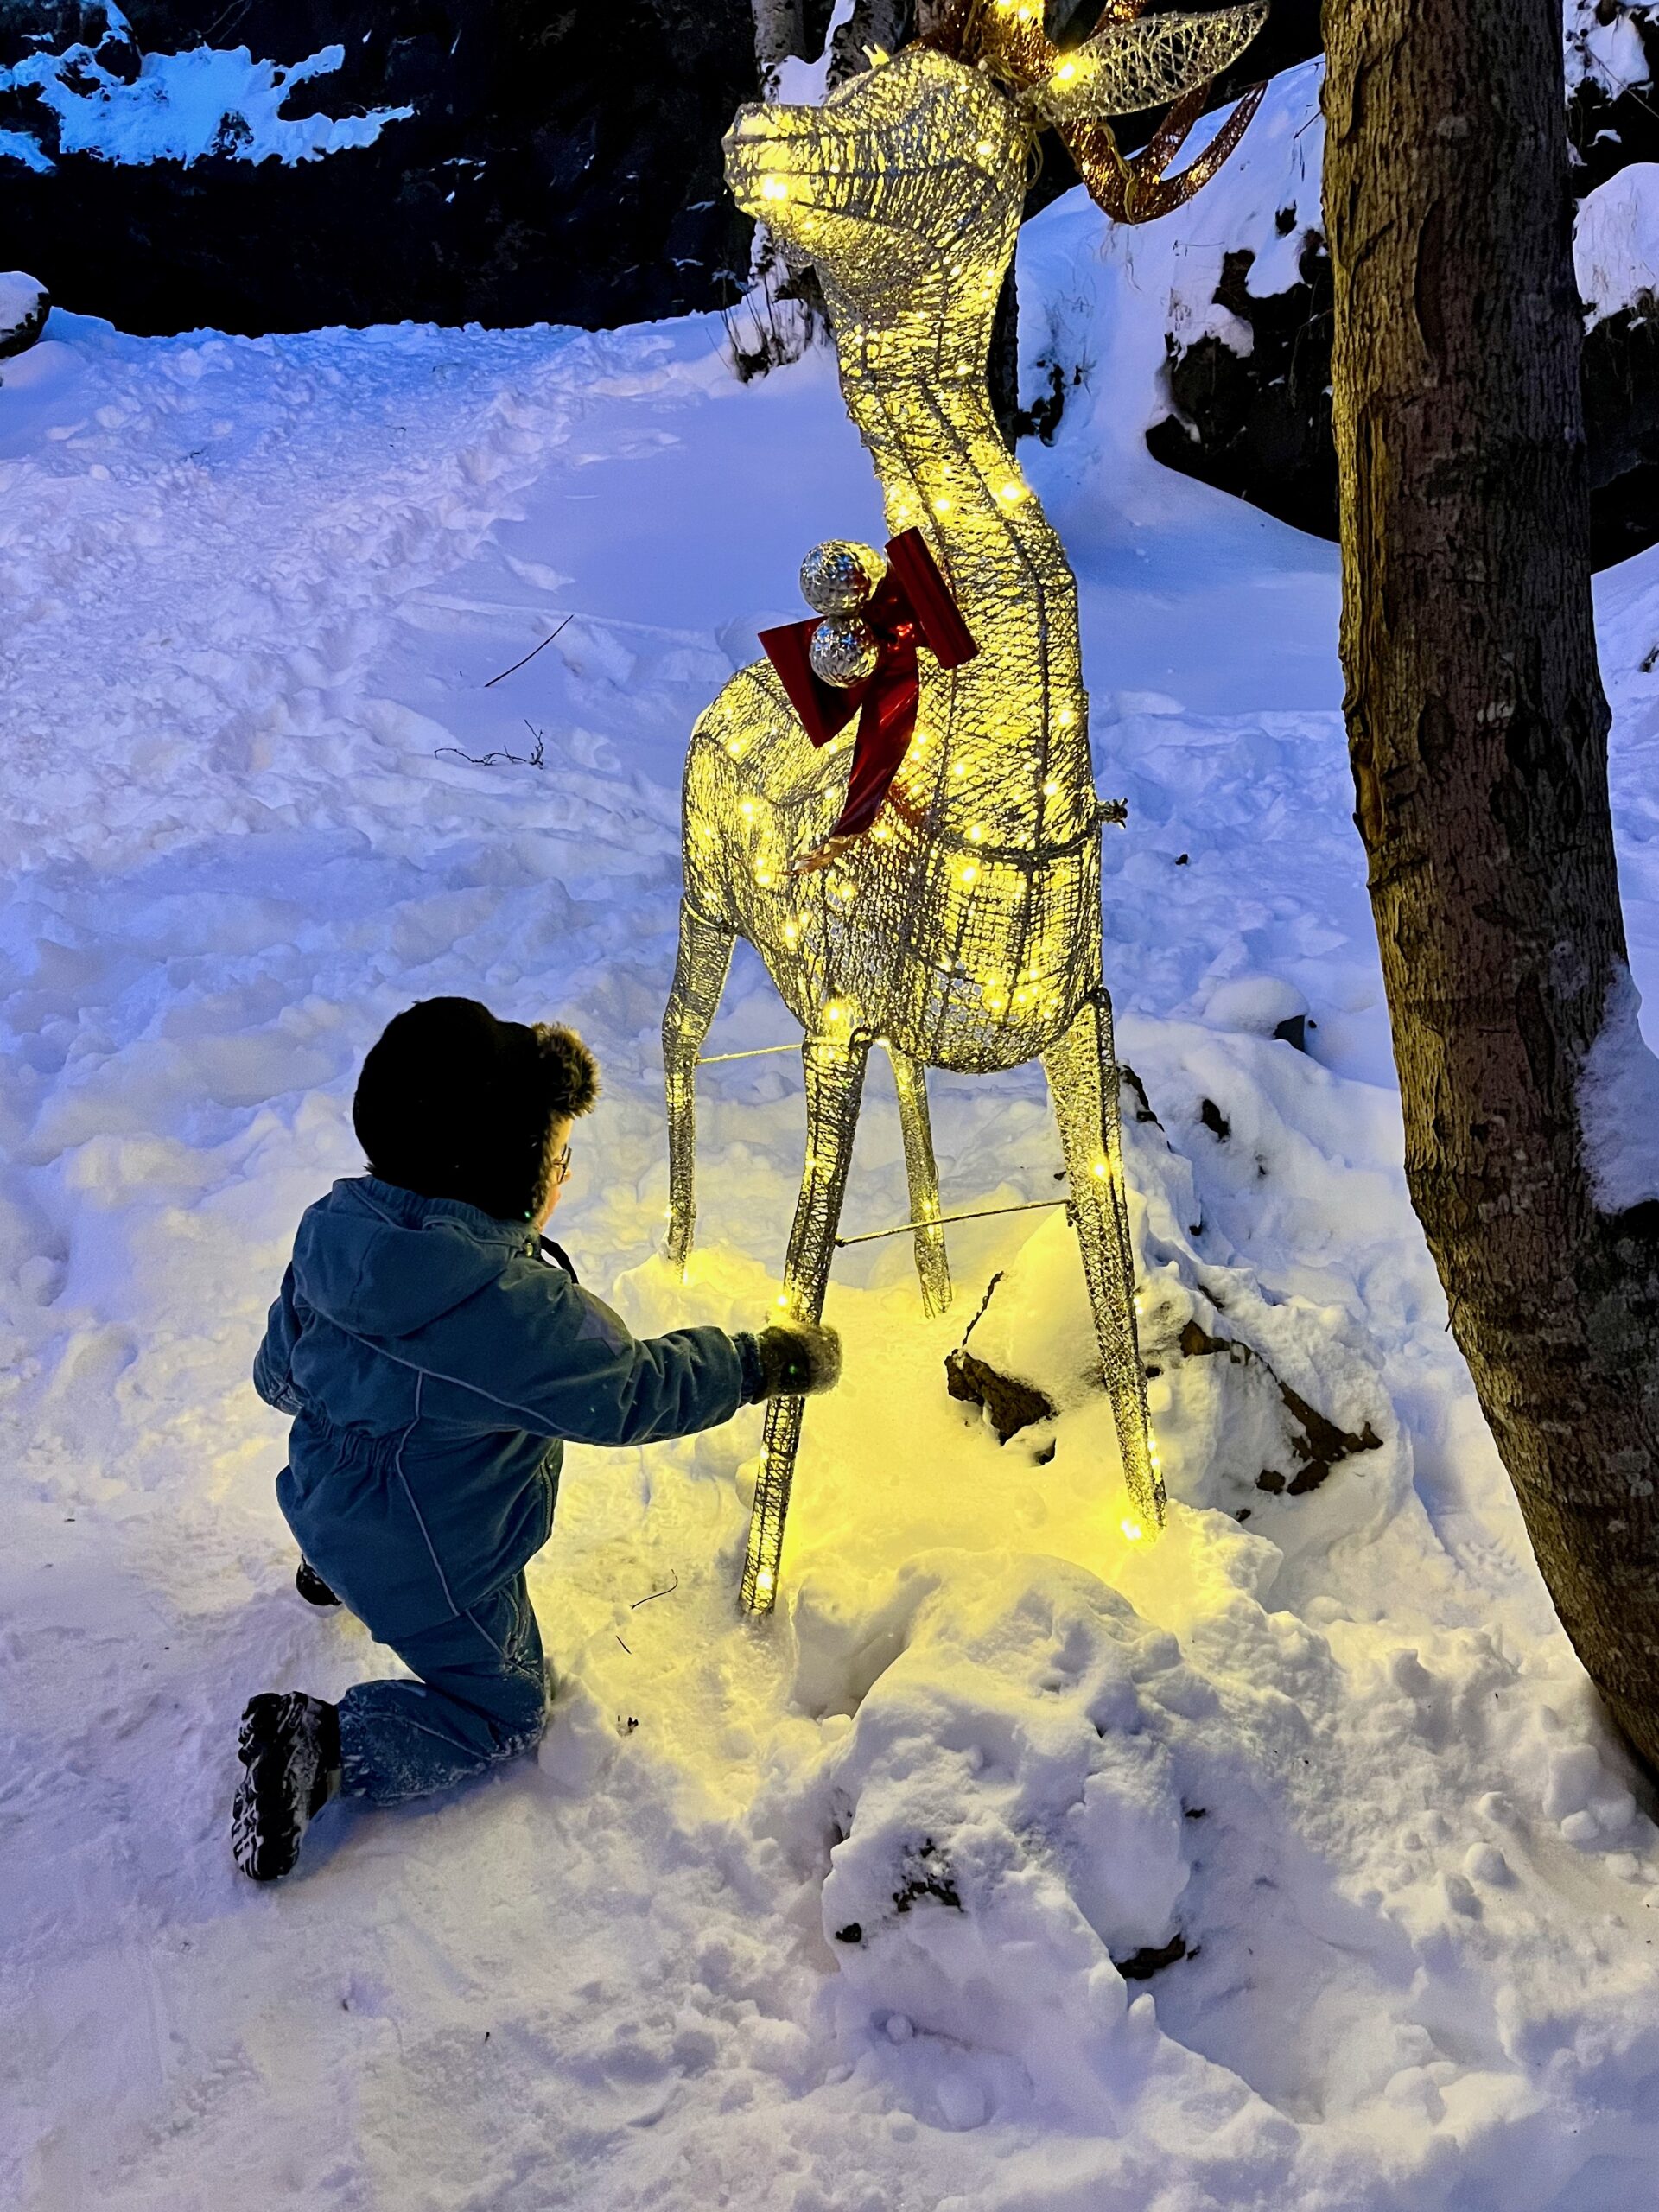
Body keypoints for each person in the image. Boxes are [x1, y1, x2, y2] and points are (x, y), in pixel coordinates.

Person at [233, 995, 840, 1881]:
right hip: (431, 1563)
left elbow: (277, 1377)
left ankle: (334, 1564)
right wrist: (757, 1364)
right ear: (506, 1174)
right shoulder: (507, 1313)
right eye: (556, 1159)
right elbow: (630, 1392)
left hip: (319, 1498)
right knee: (505, 1712)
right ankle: (321, 1745)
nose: (564, 1178)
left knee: (370, 1461)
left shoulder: (336, 1233)